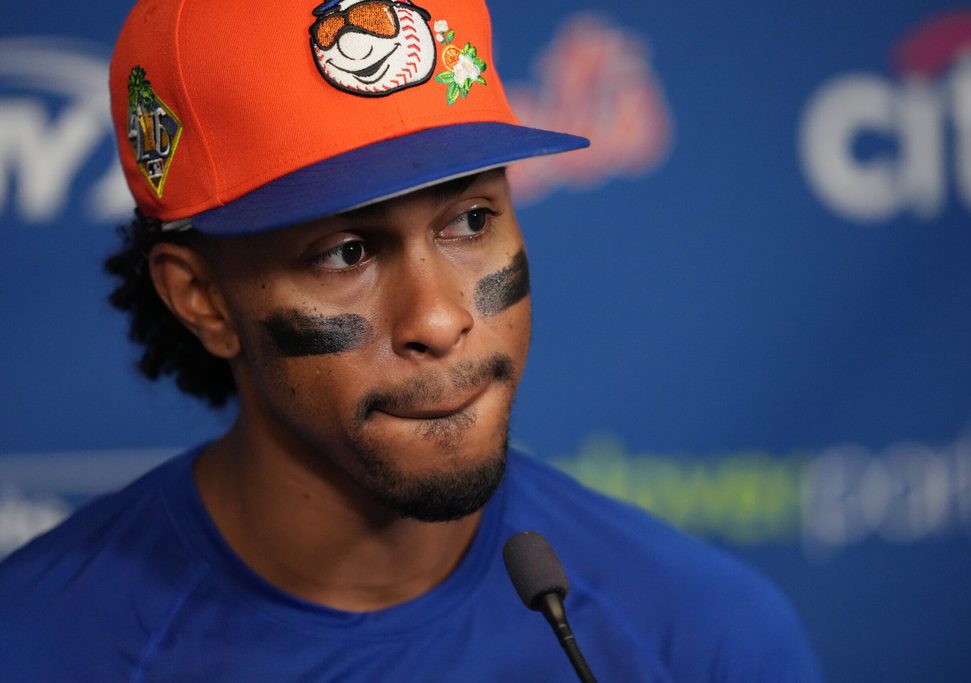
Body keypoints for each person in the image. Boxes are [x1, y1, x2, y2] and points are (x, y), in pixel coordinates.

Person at [0, 0, 821, 680]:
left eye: (470, 220)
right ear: (202, 299)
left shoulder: (703, 635)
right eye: (345, 252)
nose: (438, 318)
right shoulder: (38, 643)